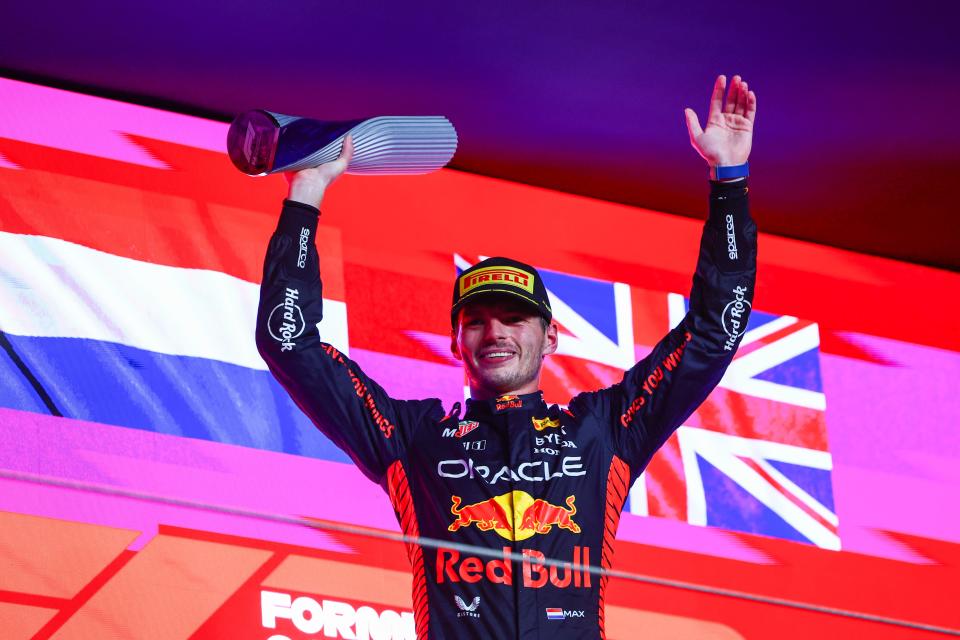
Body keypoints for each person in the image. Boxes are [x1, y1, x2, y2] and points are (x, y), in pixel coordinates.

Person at [256, 74, 757, 640]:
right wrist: (307, 192)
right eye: (476, 321)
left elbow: (714, 332)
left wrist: (730, 184)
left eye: (515, 319)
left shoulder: (603, 432)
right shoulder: (412, 438)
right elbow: (288, 340)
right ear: (455, 343)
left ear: (551, 339)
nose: (494, 332)